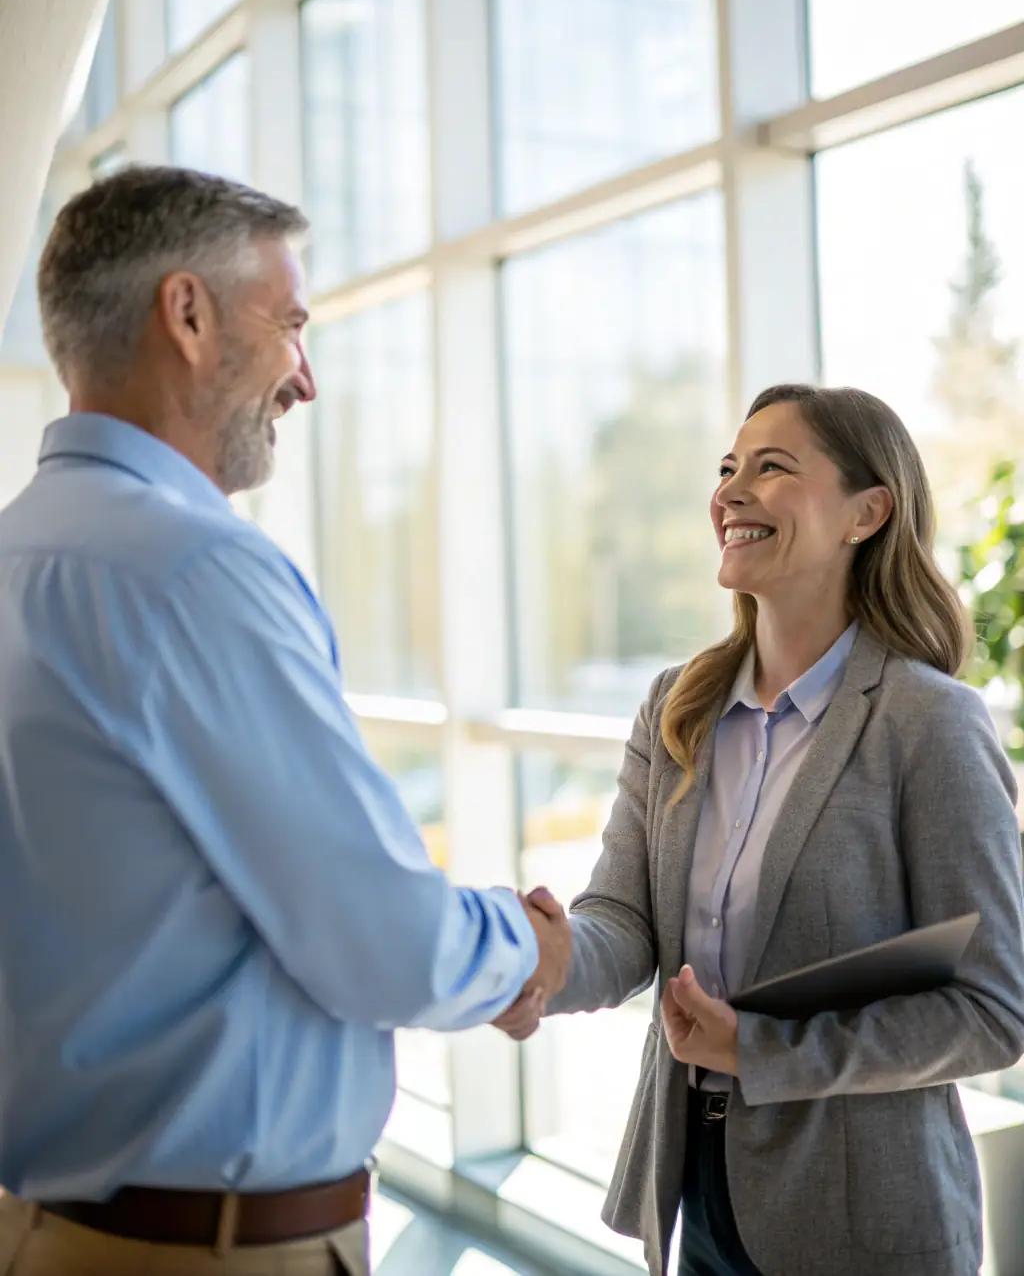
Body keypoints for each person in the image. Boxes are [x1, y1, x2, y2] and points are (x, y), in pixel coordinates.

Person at [0, 165, 571, 1276]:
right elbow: (387, 946)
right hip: (200, 1255)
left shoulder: (18, 556)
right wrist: (527, 948)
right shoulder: (191, 568)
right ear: (189, 313)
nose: (303, 378)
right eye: (291, 326)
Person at [496, 383, 1024, 1276]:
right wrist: (546, 964)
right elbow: (622, 922)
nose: (731, 491)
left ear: (869, 511)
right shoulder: (679, 707)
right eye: (728, 469)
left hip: (864, 1222)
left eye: (771, 467)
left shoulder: (928, 724)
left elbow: (991, 1011)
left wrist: (758, 1051)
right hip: (695, 1190)